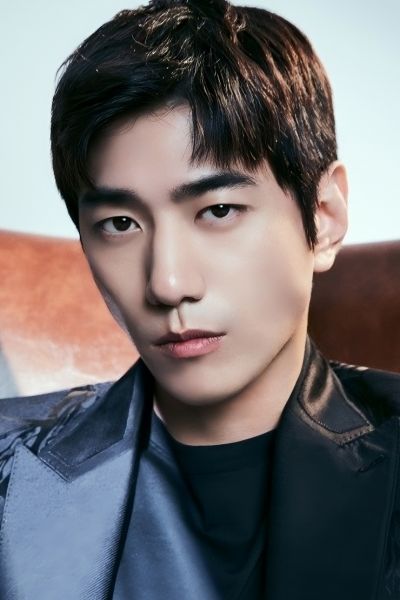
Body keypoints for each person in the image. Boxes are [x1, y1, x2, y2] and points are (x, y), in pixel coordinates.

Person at [0, 1, 399, 598]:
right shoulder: (9, 472)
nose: (167, 283)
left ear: (324, 216)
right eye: (119, 224)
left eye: (217, 210)